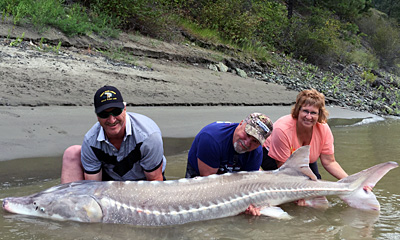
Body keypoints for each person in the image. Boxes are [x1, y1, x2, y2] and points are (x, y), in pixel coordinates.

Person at [262, 89, 372, 206]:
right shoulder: (282, 129)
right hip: (273, 158)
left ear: (319, 114)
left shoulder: (323, 129)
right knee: (286, 197)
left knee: (317, 193)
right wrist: (298, 195)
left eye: (313, 113)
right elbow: (285, 172)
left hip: (305, 159)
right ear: (298, 111)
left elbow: (330, 162)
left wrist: (354, 183)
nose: (309, 117)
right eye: (305, 111)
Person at [61, 85, 166, 183]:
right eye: (104, 114)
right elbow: (93, 186)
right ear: (97, 116)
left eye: (116, 112)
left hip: (143, 182)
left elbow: (155, 182)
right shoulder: (91, 141)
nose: (111, 120)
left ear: (124, 108)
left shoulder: (148, 136)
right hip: (110, 183)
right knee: (72, 152)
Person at [185, 112, 273, 178]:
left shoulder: (256, 152)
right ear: (241, 123)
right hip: (202, 174)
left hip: (233, 172)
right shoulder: (211, 138)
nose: (246, 143)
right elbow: (207, 182)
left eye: (255, 141)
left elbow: (247, 183)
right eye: (247, 134)